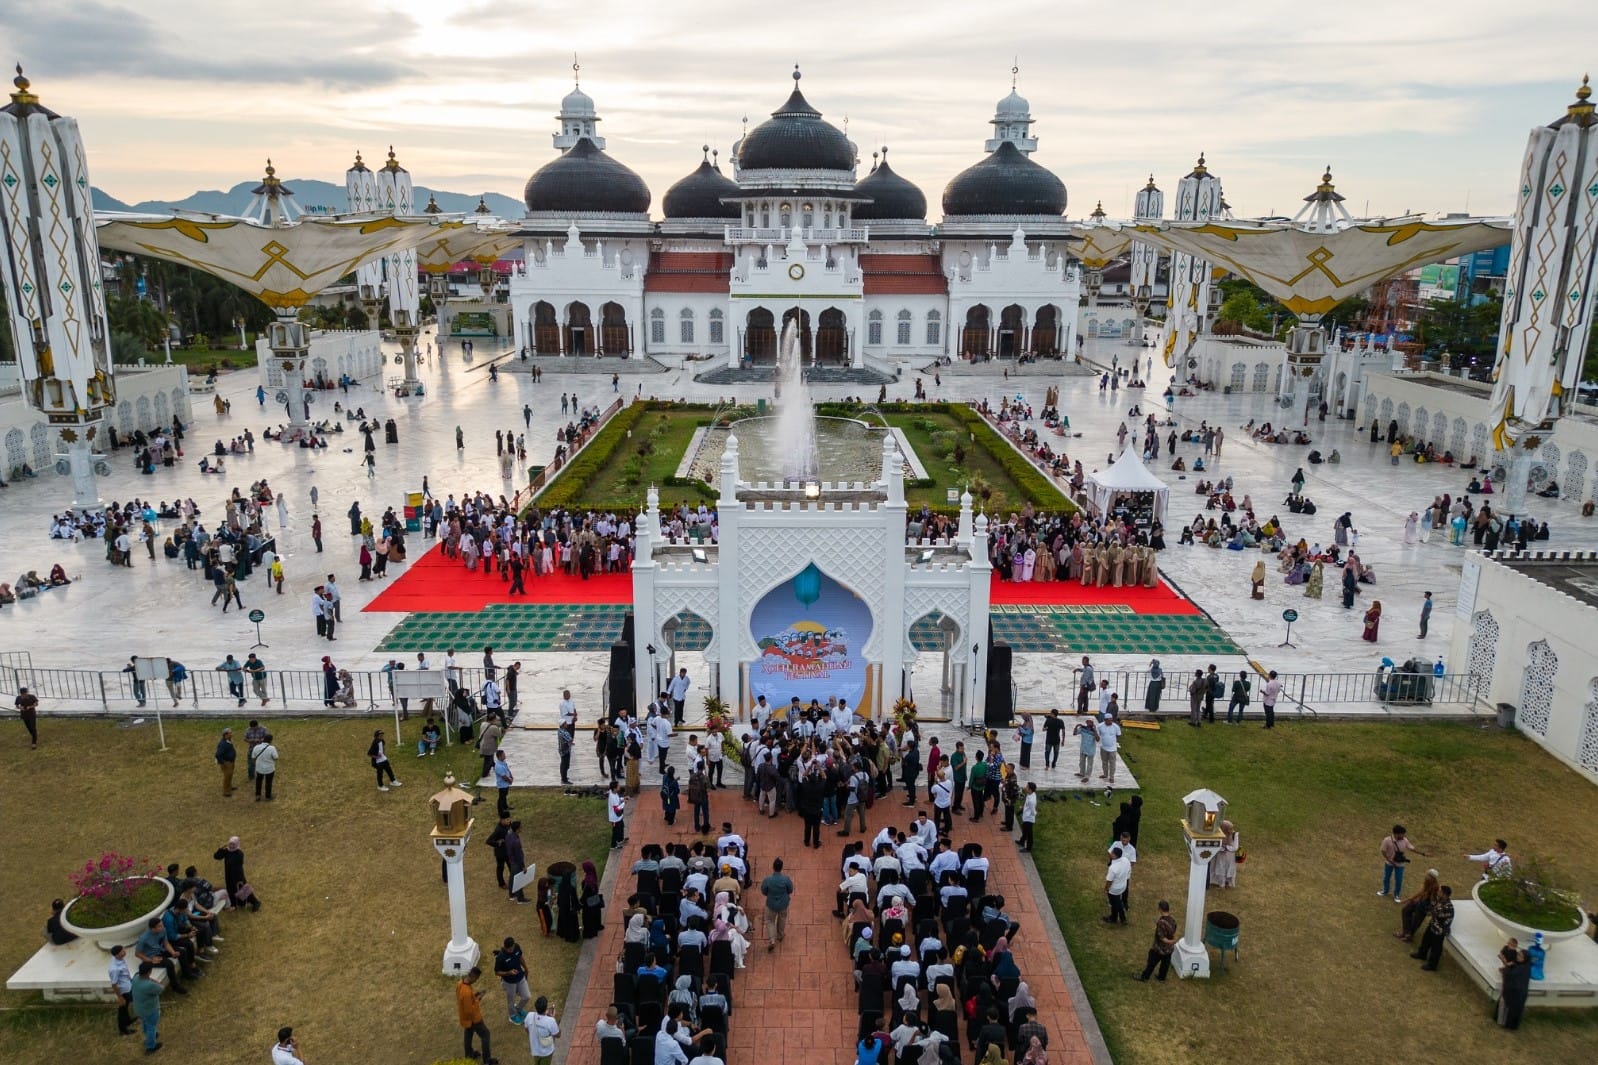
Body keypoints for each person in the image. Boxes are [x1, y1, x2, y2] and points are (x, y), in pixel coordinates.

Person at [455, 967, 495, 1065]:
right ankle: (487, 1061)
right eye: (476, 979)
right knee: (485, 1035)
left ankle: (469, 1054)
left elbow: (464, 1000)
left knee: (468, 1034)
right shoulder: (467, 992)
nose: (476, 981)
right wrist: (478, 999)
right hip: (474, 1019)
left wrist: (474, 995)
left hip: (465, 1018)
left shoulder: (460, 984)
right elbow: (470, 1011)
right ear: (473, 976)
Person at [1411, 885, 1454, 971]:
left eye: (1440, 891)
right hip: (1433, 925)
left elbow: (1433, 912)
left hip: (1439, 930)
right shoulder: (1440, 901)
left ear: (1444, 894)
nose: (1438, 892)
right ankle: (1422, 954)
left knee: (1436, 948)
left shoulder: (1447, 906)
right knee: (1425, 940)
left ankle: (1432, 965)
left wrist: (1427, 909)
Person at [213, 835, 260, 911]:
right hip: (229, 875)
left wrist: (238, 879)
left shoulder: (239, 853)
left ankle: (255, 902)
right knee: (230, 889)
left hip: (238, 875)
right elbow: (216, 857)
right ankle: (233, 904)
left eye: (233, 844)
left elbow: (236, 864)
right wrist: (221, 849)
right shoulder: (226, 851)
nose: (231, 846)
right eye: (230, 844)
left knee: (243, 890)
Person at [1135, 901, 1178, 982]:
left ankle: (1145, 977)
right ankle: (1162, 978)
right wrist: (1172, 941)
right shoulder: (1173, 921)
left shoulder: (1161, 923)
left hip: (1159, 948)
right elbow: (1172, 932)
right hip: (1169, 949)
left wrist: (1171, 941)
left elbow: (1162, 938)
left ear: (1161, 909)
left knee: (1151, 962)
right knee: (1165, 963)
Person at [1379, 826, 1426, 898]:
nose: (1403, 836)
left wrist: (1422, 853)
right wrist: (1389, 860)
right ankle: (1385, 891)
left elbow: (1412, 848)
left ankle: (1396, 895)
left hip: (1400, 864)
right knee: (1386, 878)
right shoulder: (1387, 840)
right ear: (1396, 834)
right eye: (1402, 834)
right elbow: (1383, 851)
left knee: (1399, 880)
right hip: (1389, 863)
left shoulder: (1405, 840)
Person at [494, 937, 531, 1023]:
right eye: (509, 949)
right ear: (505, 947)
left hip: (520, 977)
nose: (511, 950)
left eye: (512, 948)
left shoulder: (516, 947)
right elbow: (497, 972)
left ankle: (518, 1008)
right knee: (511, 1000)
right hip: (509, 982)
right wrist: (508, 972)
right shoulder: (500, 957)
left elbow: (520, 957)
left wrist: (526, 968)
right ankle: (512, 1015)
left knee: (527, 996)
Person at [760, 857, 794, 951]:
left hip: (771, 904)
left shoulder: (768, 880)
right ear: (781, 867)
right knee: (782, 918)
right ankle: (780, 935)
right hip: (783, 904)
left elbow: (763, 891)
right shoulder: (786, 879)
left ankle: (772, 940)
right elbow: (790, 890)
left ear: (773, 867)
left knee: (770, 921)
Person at [130, 960, 164, 1053]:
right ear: (149, 972)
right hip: (150, 1010)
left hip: (139, 1009)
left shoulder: (135, 978)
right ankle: (151, 1047)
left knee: (145, 1024)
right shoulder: (149, 985)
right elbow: (160, 988)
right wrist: (154, 981)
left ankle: (150, 1036)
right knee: (151, 1027)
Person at [1497, 942, 1532, 1029]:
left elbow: (1511, 975)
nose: (1518, 957)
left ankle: (1505, 1023)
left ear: (1525, 959)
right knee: (1505, 1006)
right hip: (1512, 991)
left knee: (1509, 1008)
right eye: (1518, 954)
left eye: (1520, 956)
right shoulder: (1520, 964)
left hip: (1516, 993)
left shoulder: (1523, 968)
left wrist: (1505, 968)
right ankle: (1502, 1021)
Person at [525, 995, 559, 1065]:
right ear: (546, 1008)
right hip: (546, 1053)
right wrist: (554, 1018)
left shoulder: (529, 1016)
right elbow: (558, 1035)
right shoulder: (551, 1021)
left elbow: (526, 1029)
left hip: (535, 1050)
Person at [1104, 846, 1131, 925]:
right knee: (1118, 901)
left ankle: (1114, 918)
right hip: (1123, 885)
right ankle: (1122, 918)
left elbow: (1109, 881)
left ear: (1115, 855)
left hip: (1114, 889)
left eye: (1112, 853)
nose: (1110, 853)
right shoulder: (1125, 860)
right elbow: (1129, 869)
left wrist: (1106, 888)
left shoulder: (1113, 868)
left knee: (1114, 903)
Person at [1209, 821, 1239, 887]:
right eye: (1230, 829)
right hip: (1221, 855)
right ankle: (1220, 883)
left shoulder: (1234, 835)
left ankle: (1228, 882)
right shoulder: (1219, 834)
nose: (1231, 830)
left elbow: (1235, 847)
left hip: (1230, 857)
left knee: (1229, 868)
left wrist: (1225, 847)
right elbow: (1216, 845)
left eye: (1232, 828)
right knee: (1220, 868)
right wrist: (1222, 848)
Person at [252, 731, 279, 801]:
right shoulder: (272, 748)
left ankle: (258, 795)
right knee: (268, 782)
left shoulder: (256, 747)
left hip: (259, 768)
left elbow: (253, 757)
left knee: (258, 782)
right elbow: (276, 757)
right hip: (269, 769)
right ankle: (268, 796)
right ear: (270, 740)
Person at [1016, 782, 1038, 852]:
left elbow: (1033, 811)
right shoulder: (1030, 794)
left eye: (1027, 787)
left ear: (1030, 789)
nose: (1025, 788)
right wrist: (1023, 808)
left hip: (1029, 819)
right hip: (1026, 817)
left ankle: (1028, 848)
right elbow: (1027, 804)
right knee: (1025, 831)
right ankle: (1022, 841)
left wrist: (1034, 814)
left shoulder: (1032, 800)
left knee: (1029, 834)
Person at [215, 728, 237, 797]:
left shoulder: (228, 741)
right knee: (227, 777)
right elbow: (218, 754)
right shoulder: (223, 744)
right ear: (226, 734)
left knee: (230, 775)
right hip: (227, 763)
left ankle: (230, 786)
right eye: (230, 733)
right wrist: (223, 762)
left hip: (231, 762)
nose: (232, 734)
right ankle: (226, 791)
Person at [608, 781, 627, 849]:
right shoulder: (612, 797)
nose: (619, 787)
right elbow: (616, 809)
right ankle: (613, 845)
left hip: (619, 816)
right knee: (616, 831)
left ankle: (620, 840)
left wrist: (623, 799)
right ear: (614, 788)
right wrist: (624, 803)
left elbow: (618, 800)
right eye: (618, 786)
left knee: (621, 827)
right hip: (615, 818)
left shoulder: (614, 793)